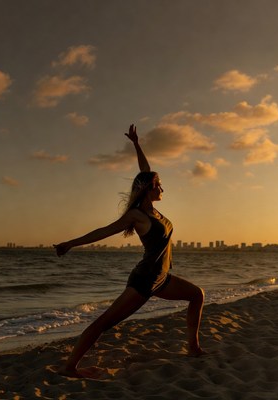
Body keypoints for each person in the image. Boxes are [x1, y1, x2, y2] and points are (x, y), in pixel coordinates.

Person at [54, 124, 204, 378]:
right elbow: (103, 231)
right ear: (147, 188)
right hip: (145, 280)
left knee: (197, 295)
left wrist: (136, 144)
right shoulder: (137, 215)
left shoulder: (153, 211)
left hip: (162, 278)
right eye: (158, 185)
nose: (162, 189)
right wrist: (70, 243)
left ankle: (193, 348)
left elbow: (144, 171)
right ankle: (70, 368)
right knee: (104, 323)